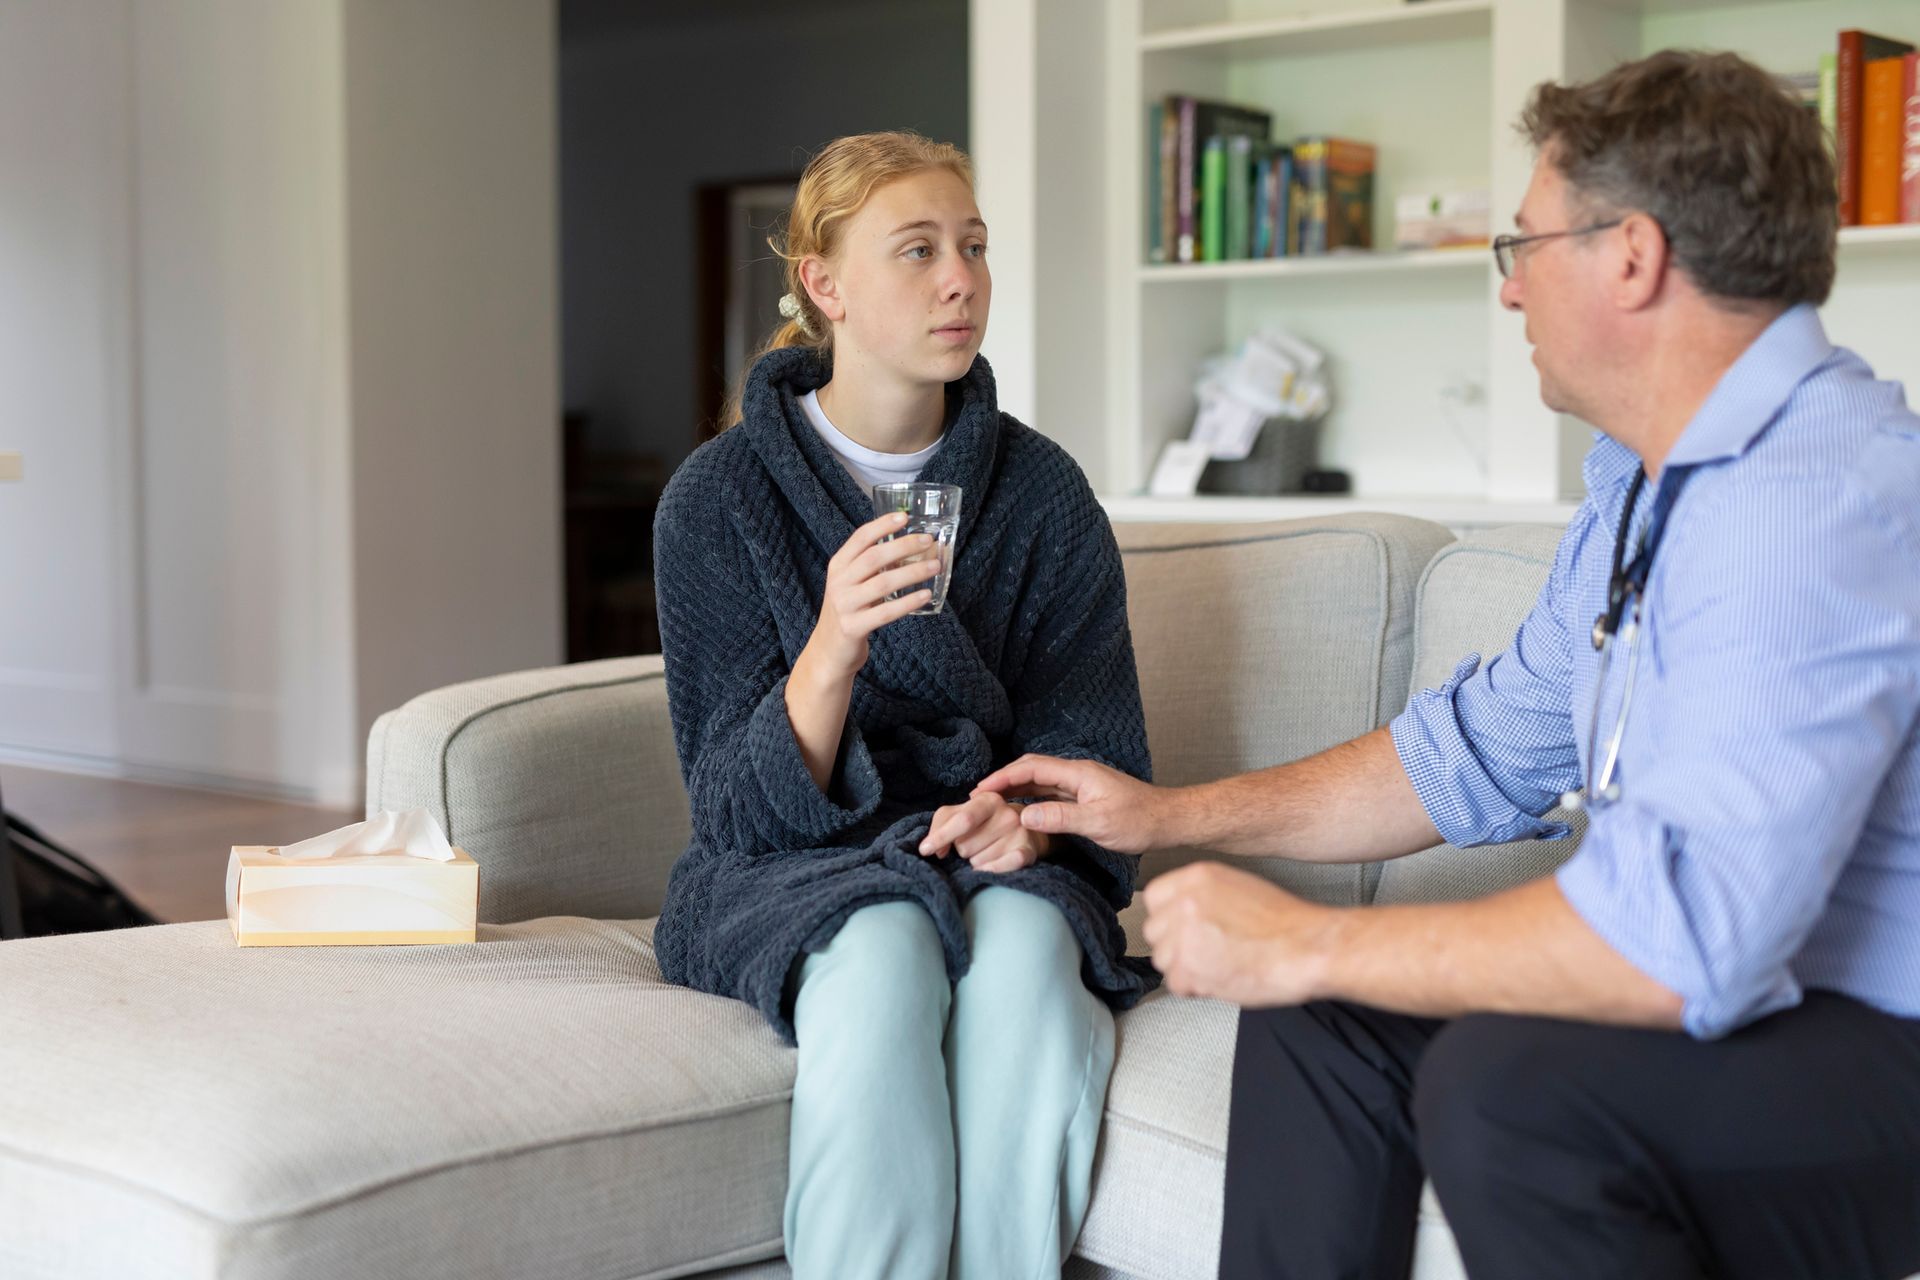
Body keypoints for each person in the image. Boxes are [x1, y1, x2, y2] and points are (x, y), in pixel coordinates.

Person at [975, 51, 1920, 1280]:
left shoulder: (1808, 497)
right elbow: (1470, 750)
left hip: (1883, 1040)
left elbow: (1684, 940)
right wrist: (1164, 816)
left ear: (1630, 255)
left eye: (1523, 246)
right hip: (1764, 1003)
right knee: (1325, 1024)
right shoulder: (1647, 475)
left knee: (1511, 1084)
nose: (1512, 292)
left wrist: (1305, 937)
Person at [649, 131, 1154, 1280]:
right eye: (917, 250)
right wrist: (830, 647)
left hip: (990, 846)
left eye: (972, 246)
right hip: (794, 856)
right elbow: (730, 805)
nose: (962, 278)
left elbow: (1092, 742)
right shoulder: (718, 499)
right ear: (824, 285)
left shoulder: (1042, 492)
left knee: (1028, 944)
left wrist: (1027, 817)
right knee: (883, 948)